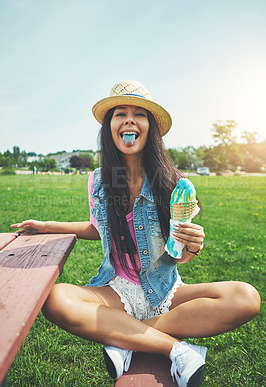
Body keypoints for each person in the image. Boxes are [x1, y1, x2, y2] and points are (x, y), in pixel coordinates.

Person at [11, 80, 261, 387]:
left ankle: (126, 336)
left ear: (150, 127)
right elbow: (99, 228)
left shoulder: (173, 183)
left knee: (245, 297)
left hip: (166, 290)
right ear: (110, 126)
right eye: (120, 113)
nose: (129, 119)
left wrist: (192, 246)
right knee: (56, 298)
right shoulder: (98, 181)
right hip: (119, 291)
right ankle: (176, 349)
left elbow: (180, 255)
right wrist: (47, 226)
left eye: (139, 114)